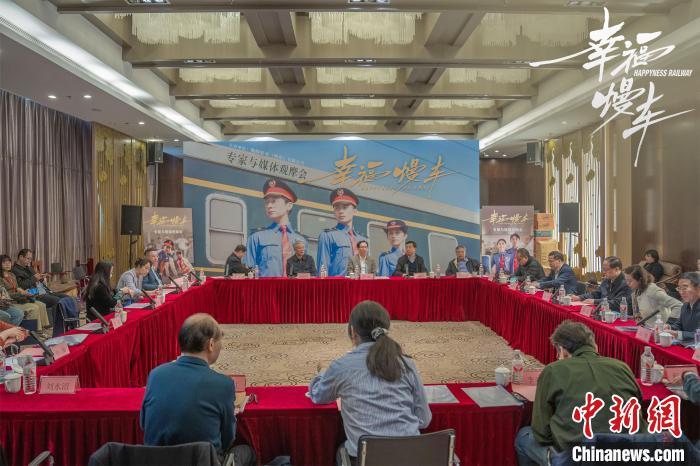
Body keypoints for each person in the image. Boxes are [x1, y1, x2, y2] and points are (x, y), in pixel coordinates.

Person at [309, 301, 431, 466]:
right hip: (410, 458)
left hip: (365, 459)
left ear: (353, 331)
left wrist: (322, 374)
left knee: (341, 450)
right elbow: (424, 419)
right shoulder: (406, 363)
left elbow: (318, 396)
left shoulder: (341, 366)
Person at [515, 320, 643, 465]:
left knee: (524, 436)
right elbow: (638, 405)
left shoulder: (553, 370)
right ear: (594, 346)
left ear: (562, 350)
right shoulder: (622, 367)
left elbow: (541, 432)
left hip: (577, 458)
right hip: (628, 454)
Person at [140, 314, 255, 465]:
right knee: (248, 452)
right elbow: (228, 439)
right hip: (204, 461)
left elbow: (144, 424)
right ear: (211, 344)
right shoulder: (223, 384)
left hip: (158, 461)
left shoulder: (156, 375)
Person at [245, 178, 306, 277]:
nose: (269, 206)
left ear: (289, 206)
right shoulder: (256, 237)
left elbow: (305, 273)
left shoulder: (301, 240)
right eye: (267, 202)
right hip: (267, 287)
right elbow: (248, 272)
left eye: (274, 201)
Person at [317, 188, 367, 277]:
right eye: (337, 208)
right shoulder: (327, 236)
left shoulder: (362, 239)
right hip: (338, 284)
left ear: (355, 211)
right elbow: (323, 269)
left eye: (345, 207)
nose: (340, 211)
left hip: (360, 284)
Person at [12, 248, 68, 324]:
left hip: (42, 290)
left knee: (65, 297)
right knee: (57, 300)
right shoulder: (14, 270)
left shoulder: (29, 268)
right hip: (33, 294)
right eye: (28, 258)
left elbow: (37, 280)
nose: (30, 261)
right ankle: (56, 325)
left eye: (31, 259)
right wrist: (34, 278)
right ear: (21, 257)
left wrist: (42, 277)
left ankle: (67, 320)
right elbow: (21, 285)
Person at [1, 255, 50, 329]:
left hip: (20, 298)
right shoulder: (1, 278)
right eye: (4, 262)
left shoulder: (12, 275)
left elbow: (17, 287)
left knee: (42, 305)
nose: (7, 264)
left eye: (9, 262)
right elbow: (5, 295)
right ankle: (33, 331)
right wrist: (22, 293)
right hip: (10, 302)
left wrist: (25, 292)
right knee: (34, 308)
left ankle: (43, 328)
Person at [668, 272, 700, 341]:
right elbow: (679, 324)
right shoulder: (685, 306)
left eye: (685, 288)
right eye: (679, 288)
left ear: (698, 288)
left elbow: (698, 335)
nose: (681, 292)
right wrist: (669, 328)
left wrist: (678, 334)